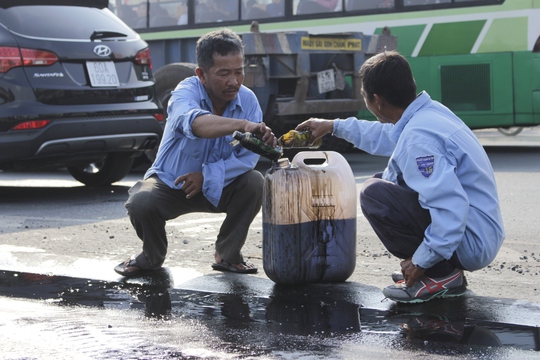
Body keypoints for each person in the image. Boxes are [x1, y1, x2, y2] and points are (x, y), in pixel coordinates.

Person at [295, 51, 505, 303]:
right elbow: (388, 136)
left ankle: (441, 274)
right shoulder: (427, 115)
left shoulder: (419, 140)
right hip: (477, 229)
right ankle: (440, 268)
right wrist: (332, 126)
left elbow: (450, 206)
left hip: (471, 241)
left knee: (376, 195)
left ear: (377, 100)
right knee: (384, 180)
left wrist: (421, 260)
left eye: (364, 96)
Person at [115, 28, 277, 277]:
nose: (233, 81)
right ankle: (151, 256)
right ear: (201, 74)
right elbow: (196, 124)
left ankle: (228, 254)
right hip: (172, 184)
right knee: (141, 202)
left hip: (219, 184)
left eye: (239, 72)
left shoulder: (249, 100)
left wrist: (207, 176)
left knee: (255, 182)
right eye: (224, 74)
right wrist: (243, 125)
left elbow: (247, 159)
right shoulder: (184, 92)